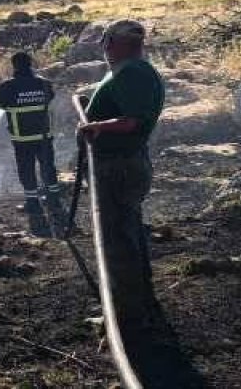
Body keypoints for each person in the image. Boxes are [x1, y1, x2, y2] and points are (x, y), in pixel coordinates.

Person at [77, 19, 166, 334]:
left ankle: (126, 320)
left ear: (114, 43)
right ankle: (138, 305)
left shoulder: (132, 72)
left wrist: (98, 126)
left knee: (117, 240)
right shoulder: (132, 72)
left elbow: (133, 121)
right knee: (127, 232)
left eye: (105, 42)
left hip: (118, 166)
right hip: (122, 163)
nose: (104, 49)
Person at [0, 51, 63, 237]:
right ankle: (54, 200)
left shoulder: (8, 86)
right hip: (43, 135)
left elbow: (0, 104)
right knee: (48, 166)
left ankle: (33, 203)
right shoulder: (43, 83)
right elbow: (50, 97)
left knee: (26, 169)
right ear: (31, 63)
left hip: (22, 138)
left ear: (14, 65)